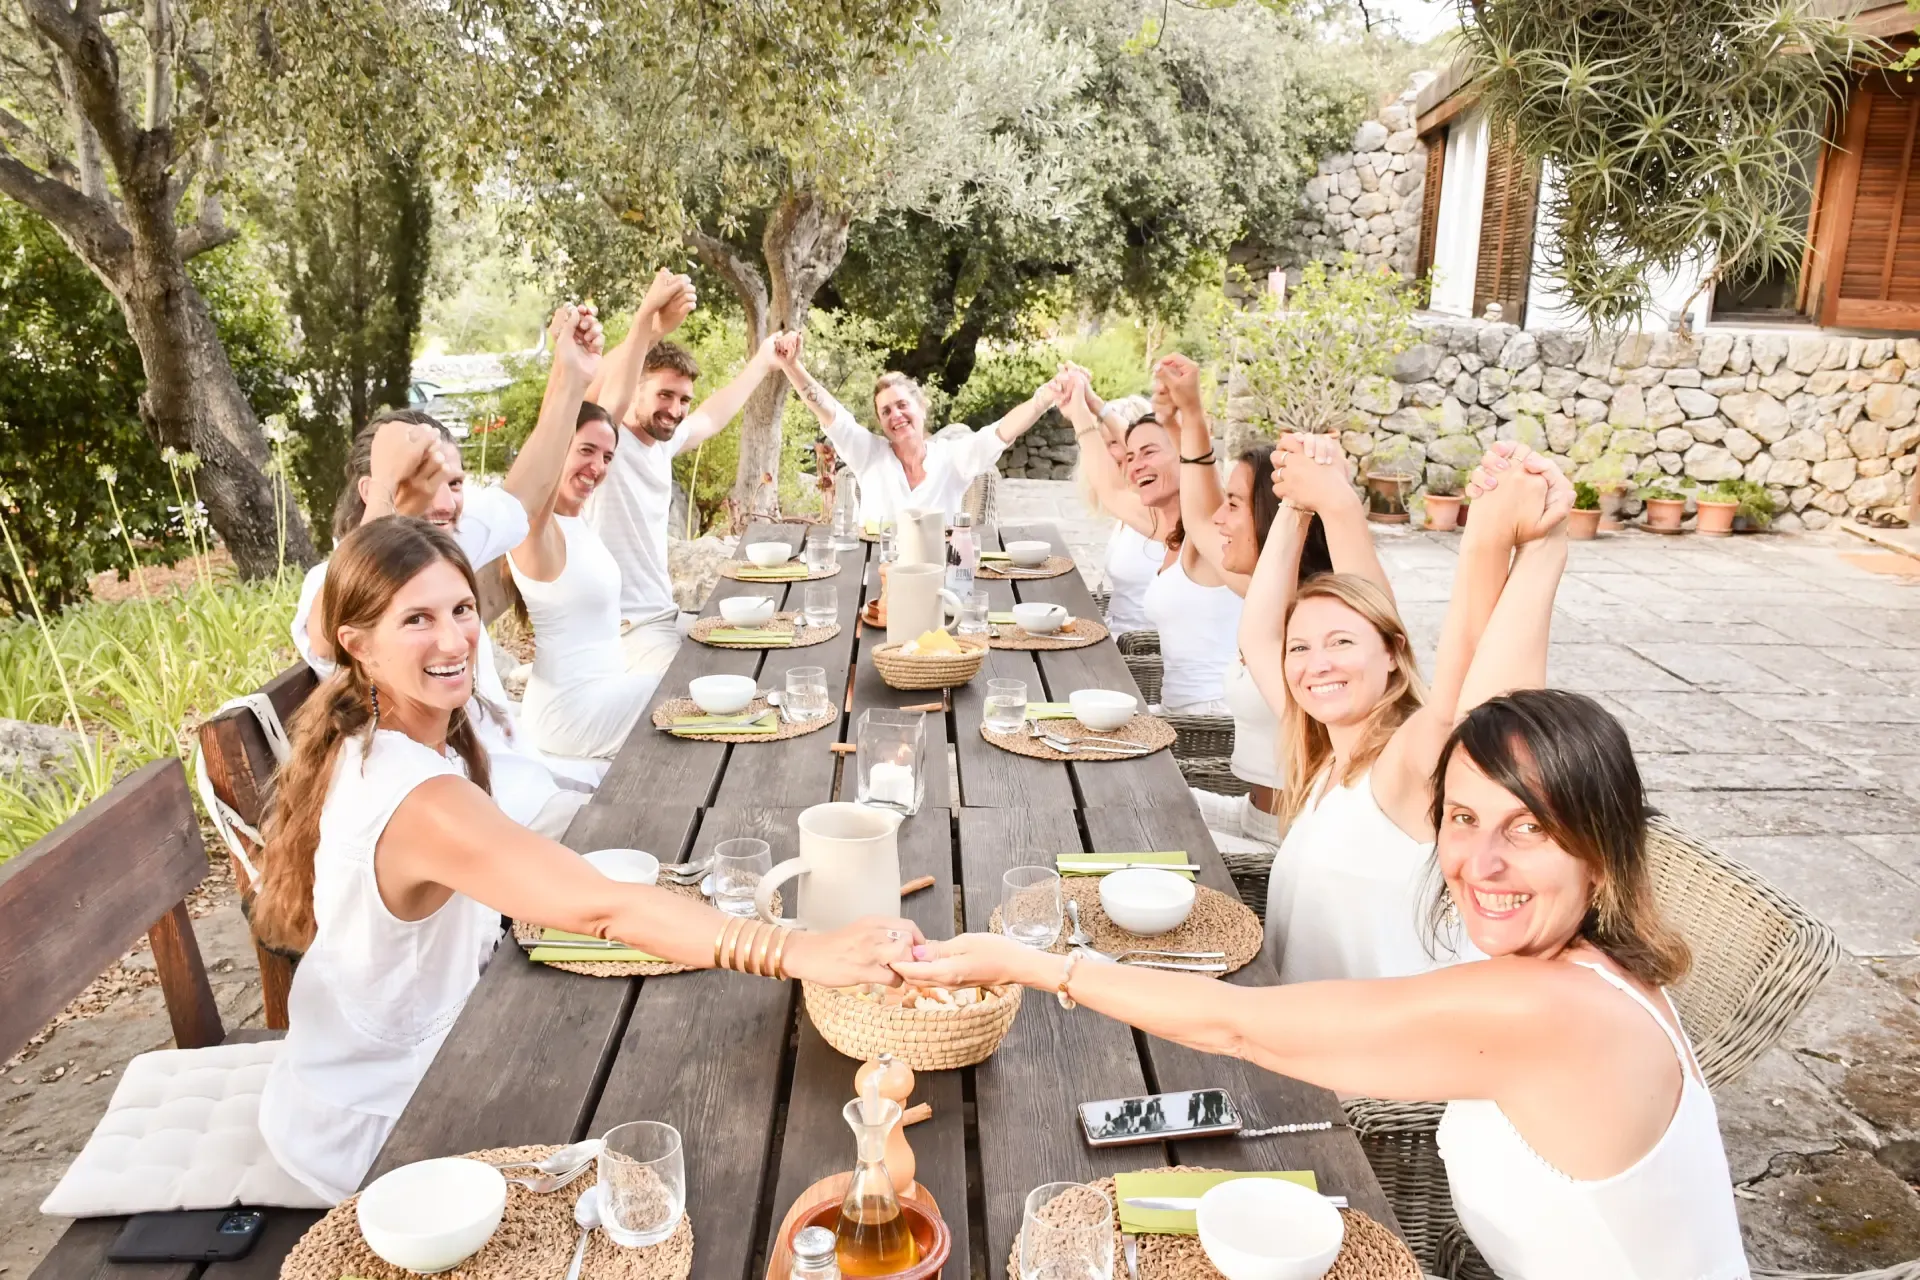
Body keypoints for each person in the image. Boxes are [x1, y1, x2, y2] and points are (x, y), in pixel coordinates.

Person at [896, 688, 1748, 1280]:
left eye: (1528, 829)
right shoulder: (1586, 972)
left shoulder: (1549, 1008)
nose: (1480, 862)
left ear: (1599, 849)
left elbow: (1239, 1028)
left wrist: (1031, 965)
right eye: (1463, 818)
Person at [255, 516, 923, 1203]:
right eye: (416, 620)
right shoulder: (418, 797)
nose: (454, 639)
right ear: (356, 644)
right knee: (688, 1136)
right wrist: (800, 951)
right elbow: (606, 907)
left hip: (404, 1059)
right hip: (380, 1121)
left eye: (461, 609)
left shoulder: (387, 737)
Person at [1240, 441, 1571, 983]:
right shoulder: (1325, 753)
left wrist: (1508, 545)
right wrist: (1297, 505)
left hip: (1365, 1058)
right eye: (1299, 648)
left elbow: (1480, 708)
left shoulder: (1402, 762)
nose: (1317, 664)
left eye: (1342, 642)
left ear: (1393, 656)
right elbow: (1258, 636)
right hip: (1294, 1036)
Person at [288, 304, 613, 836]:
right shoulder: (339, 581)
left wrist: (570, 376)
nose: (444, 501)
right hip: (490, 828)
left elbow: (525, 493)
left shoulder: (443, 541)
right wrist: (392, 490)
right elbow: (330, 629)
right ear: (375, 493)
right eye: (423, 480)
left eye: (456, 483)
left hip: (535, 789)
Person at [584, 273, 778, 683]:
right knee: (692, 688)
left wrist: (763, 359)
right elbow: (597, 391)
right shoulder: (607, 443)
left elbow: (713, 415)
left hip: (664, 617)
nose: (675, 409)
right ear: (635, 389)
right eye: (664, 395)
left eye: (683, 399)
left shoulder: (663, 444)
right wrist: (650, 327)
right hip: (626, 631)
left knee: (764, 647)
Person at [1061, 357, 1240, 713]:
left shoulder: (1211, 533)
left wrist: (1188, 413)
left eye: (1149, 453)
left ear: (1183, 458)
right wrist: (1080, 412)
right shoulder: (1167, 528)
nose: (1134, 464)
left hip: (1208, 721)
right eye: (1130, 456)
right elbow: (1111, 490)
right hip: (1173, 711)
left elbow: (1201, 467)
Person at [771, 332, 1068, 525]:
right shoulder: (869, 454)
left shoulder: (953, 458)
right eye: (885, 411)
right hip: (874, 584)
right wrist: (791, 366)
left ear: (921, 407)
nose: (895, 415)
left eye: (902, 405)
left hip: (939, 582)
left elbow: (1002, 431)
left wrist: (1043, 399)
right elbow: (828, 409)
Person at [507, 395, 658, 757]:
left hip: (605, 693)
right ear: (557, 449)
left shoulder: (578, 519)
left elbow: (615, 398)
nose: (597, 466)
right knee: (686, 698)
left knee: (699, 690)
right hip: (570, 713)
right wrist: (570, 369)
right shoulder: (536, 532)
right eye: (586, 450)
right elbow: (542, 458)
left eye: (607, 457)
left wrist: (642, 335)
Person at [1062, 391, 1162, 637]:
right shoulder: (1130, 506)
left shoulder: (1161, 510)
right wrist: (1094, 406)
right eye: (1102, 443)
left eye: (1114, 442)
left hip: (1137, 653)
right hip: (1114, 637)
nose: (1107, 454)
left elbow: (1110, 485)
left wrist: (1083, 413)